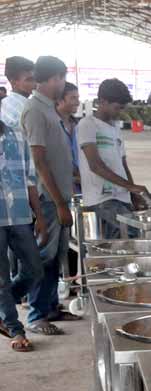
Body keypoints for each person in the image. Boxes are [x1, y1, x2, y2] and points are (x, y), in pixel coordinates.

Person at [21, 55, 80, 335]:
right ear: (52, 79)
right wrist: (58, 203)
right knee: (43, 257)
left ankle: (51, 307)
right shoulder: (34, 110)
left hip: (60, 196)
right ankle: (35, 315)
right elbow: (39, 160)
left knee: (57, 256)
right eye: (61, 78)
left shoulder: (50, 111)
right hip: (48, 199)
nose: (63, 84)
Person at [0, 58, 45, 352]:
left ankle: (4, 306)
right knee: (1, 277)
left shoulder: (16, 135)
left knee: (34, 269)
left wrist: (38, 213)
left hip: (18, 215)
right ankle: (15, 328)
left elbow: (29, 176)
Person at [77, 78, 148, 240]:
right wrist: (131, 186)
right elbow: (95, 165)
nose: (119, 112)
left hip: (121, 197)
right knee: (133, 232)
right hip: (102, 199)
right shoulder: (87, 124)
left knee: (127, 242)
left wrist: (133, 192)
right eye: (117, 108)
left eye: (122, 108)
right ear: (102, 101)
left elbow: (123, 165)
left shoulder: (115, 128)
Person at [55, 82, 80, 194]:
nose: (78, 102)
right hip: (58, 189)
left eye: (78, 98)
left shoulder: (78, 126)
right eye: (73, 98)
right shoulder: (51, 126)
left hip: (80, 187)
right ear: (59, 100)